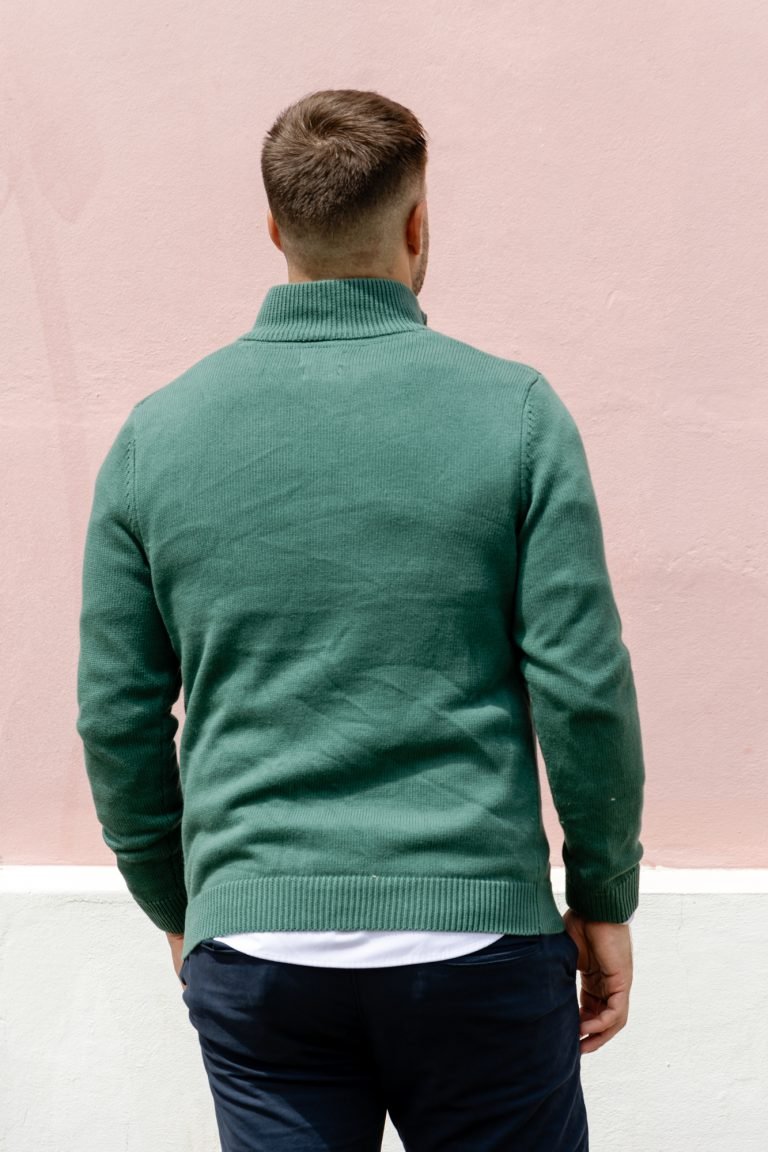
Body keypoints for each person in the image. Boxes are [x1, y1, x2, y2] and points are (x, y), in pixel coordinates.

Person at [76, 87, 645, 1151]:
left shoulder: (158, 435)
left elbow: (115, 717)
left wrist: (184, 904)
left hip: (258, 945)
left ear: (274, 228)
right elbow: (583, 686)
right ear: (418, 223)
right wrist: (604, 892)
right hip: (477, 936)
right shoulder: (516, 413)